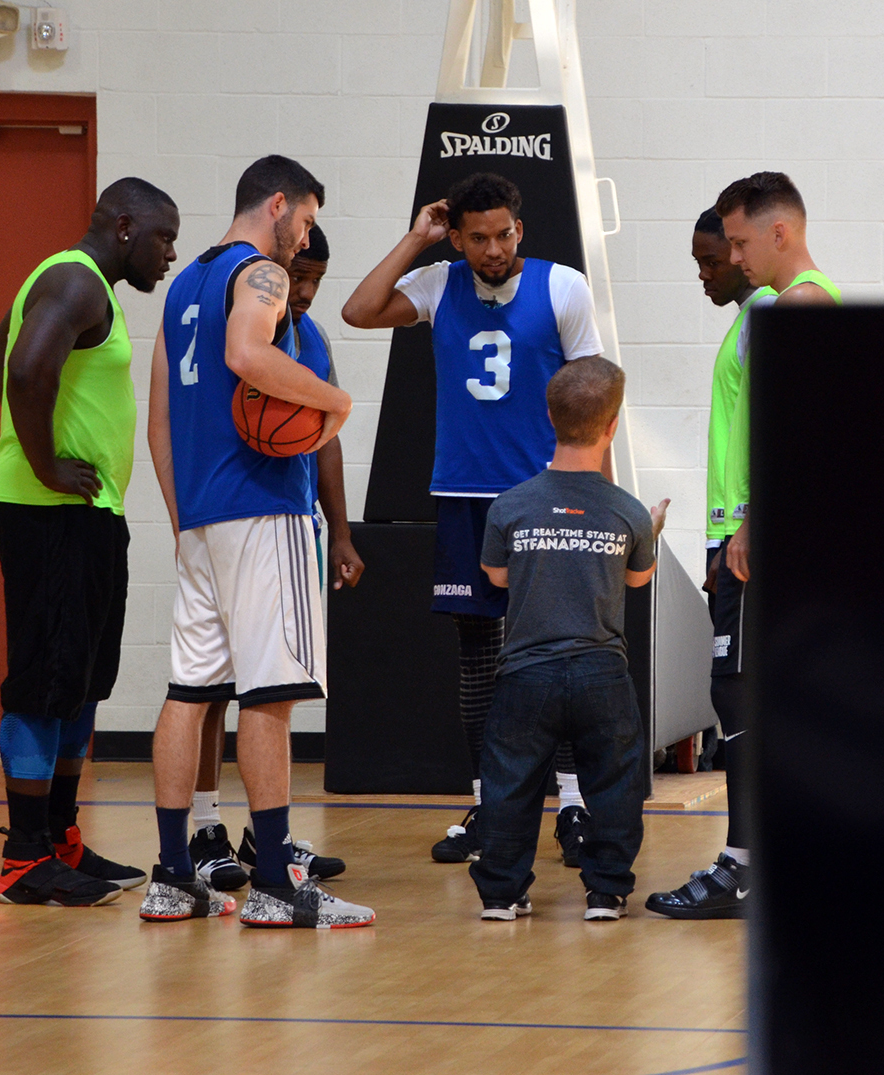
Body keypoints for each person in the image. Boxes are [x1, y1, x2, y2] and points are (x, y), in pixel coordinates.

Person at [342, 172, 602, 866]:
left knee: (561, 651)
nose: (494, 249)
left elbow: (594, 399)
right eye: (478, 237)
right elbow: (358, 311)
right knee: (480, 656)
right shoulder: (438, 283)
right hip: (463, 496)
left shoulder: (563, 287)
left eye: (504, 234)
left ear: (521, 229)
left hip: (547, 494)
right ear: (456, 237)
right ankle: (492, 804)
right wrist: (416, 239)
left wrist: (596, 499)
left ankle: (574, 804)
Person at [141, 155, 373, 928]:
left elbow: (160, 422)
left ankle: (172, 876)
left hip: (202, 518)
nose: (303, 239)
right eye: (304, 221)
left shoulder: (183, 287)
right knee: (270, 696)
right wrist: (335, 400)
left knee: (189, 692)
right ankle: (274, 883)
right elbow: (248, 353)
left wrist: (183, 521)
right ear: (277, 204)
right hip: (265, 509)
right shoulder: (260, 274)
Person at [646, 173, 840, 920]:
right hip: (744, 532)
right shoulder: (771, 309)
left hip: (765, 533)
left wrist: (753, 523)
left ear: (779, 233)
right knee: (755, 692)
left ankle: (745, 865)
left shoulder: (803, 304)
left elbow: (801, 425)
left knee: (740, 689)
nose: (731, 257)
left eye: (737, 242)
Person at [0, 178, 179, 906]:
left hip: (85, 513)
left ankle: (60, 837)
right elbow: (21, 366)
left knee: (81, 681)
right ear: (124, 227)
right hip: (49, 512)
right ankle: (24, 858)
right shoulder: (76, 280)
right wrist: (42, 462)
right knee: (43, 682)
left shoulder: (86, 285)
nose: (169, 253)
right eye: (163, 237)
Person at [186, 223, 358, 892]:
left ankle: (268, 835)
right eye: (301, 276)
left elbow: (326, 440)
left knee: (277, 687)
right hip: (236, 515)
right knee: (213, 688)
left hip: (291, 520)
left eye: (317, 280)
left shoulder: (311, 337)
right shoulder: (244, 326)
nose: (307, 291)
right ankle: (205, 827)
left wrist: (340, 532)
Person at [468, 356, 667, 921]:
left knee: (509, 784)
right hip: (602, 671)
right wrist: (649, 531)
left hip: (525, 672)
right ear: (612, 425)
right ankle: (605, 891)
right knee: (616, 782)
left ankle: (502, 894)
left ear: (550, 417)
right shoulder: (629, 511)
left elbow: (497, 576)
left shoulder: (511, 504)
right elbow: (638, 579)